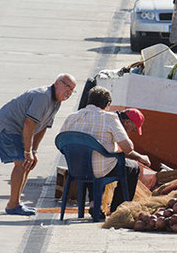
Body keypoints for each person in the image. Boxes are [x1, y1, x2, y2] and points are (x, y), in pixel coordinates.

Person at [0, 74, 77, 216]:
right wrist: (27, 151)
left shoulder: (57, 102)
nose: (69, 92)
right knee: (22, 163)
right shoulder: (43, 97)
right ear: (56, 83)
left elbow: (42, 127)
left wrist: (33, 151)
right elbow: (29, 123)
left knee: (27, 163)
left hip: (20, 130)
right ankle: (13, 205)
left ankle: (16, 202)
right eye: (67, 86)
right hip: (6, 126)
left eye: (72, 90)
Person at [60, 86, 150, 218]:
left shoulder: (71, 117)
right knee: (132, 167)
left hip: (76, 168)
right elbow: (128, 149)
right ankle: (118, 210)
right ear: (107, 104)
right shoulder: (110, 118)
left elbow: (61, 142)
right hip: (99, 169)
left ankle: (94, 203)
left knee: (92, 162)